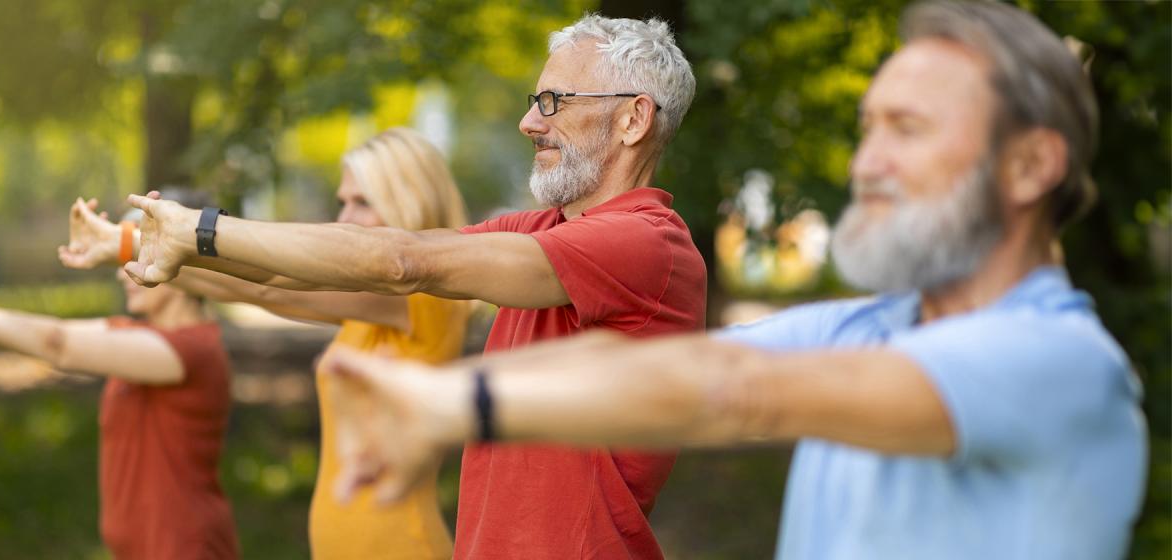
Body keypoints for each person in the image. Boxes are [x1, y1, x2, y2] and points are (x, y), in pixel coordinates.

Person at [317, 2, 1149, 559]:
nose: (866, 163)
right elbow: (659, 371)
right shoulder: (875, 328)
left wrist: (455, 405)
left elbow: (736, 388)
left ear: (1033, 164)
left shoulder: (1057, 362)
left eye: (909, 128)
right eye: (867, 129)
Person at [119, 15, 704, 559]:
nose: (530, 121)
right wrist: (158, 243)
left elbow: (405, 261)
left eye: (553, 101)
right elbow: (309, 274)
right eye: (535, 102)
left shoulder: (646, 245)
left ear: (634, 118)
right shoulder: (544, 228)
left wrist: (201, 230)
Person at [61, 128, 470, 559]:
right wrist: (125, 245)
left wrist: (138, 242)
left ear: (411, 202)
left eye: (363, 202)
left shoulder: (420, 298)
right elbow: (253, 285)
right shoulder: (370, 313)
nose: (346, 217)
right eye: (342, 201)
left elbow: (270, 288)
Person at [0, 205, 239, 560]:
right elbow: (43, 332)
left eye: (137, 255)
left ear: (181, 263)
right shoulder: (133, 333)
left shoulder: (193, 349)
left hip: (183, 548)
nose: (120, 274)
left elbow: (57, 344)